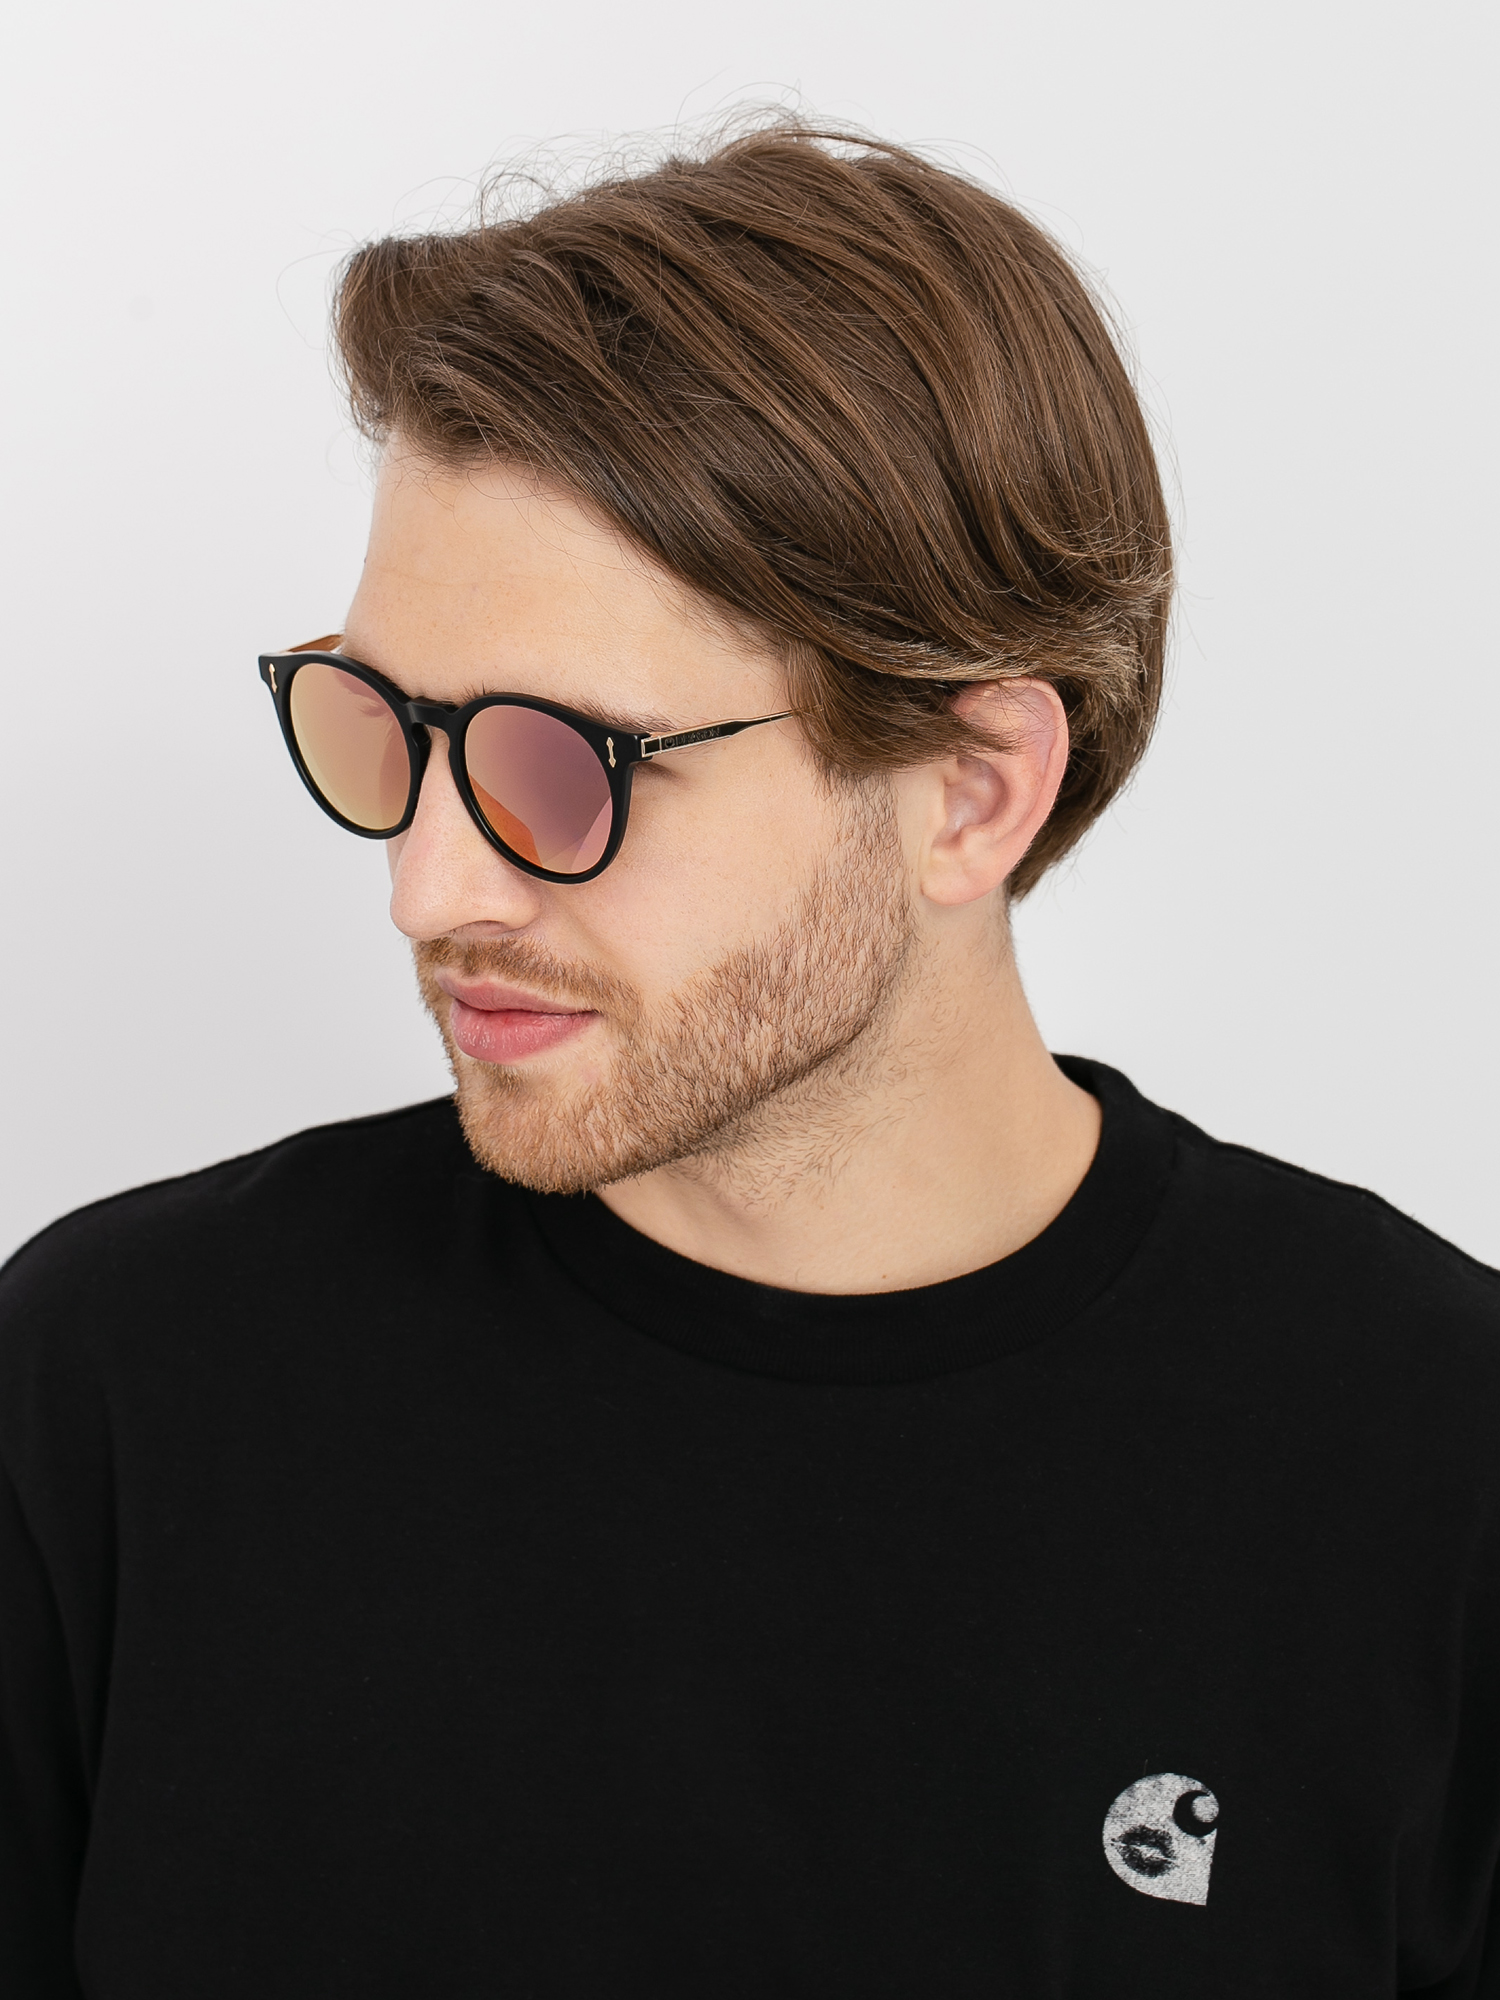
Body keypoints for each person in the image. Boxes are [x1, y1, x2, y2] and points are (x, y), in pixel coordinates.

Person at [1, 120, 1496, 2000]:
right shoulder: (116, 1399)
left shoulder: (1431, 1469)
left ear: (972, 792)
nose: (425, 888)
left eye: (563, 762)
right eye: (388, 728)